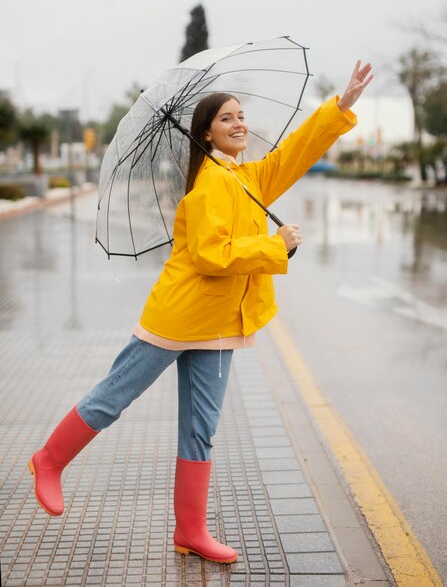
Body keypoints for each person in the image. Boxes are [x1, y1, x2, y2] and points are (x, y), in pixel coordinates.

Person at [29, 61, 373, 564]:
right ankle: (49, 460)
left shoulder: (246, 177)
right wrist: (275, 246)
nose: (239, 124)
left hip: (219, 326)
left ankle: (190, 530)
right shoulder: (211, 184)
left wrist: (339, 108)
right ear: (206, 133)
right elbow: (213, 255)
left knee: (200, 427)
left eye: (241, 115)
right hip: (178, 318)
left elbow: (296, 154)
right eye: (227, 118)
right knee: (113, 396)